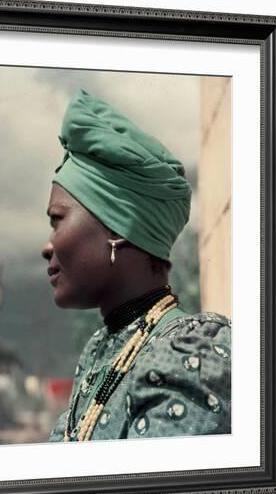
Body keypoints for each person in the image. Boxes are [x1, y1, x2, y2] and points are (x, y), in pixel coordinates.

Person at [41, 88, 231, 442]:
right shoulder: (104, 349)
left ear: (118, 227)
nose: (46, 246)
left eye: (57, 219)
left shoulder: (188, 360)